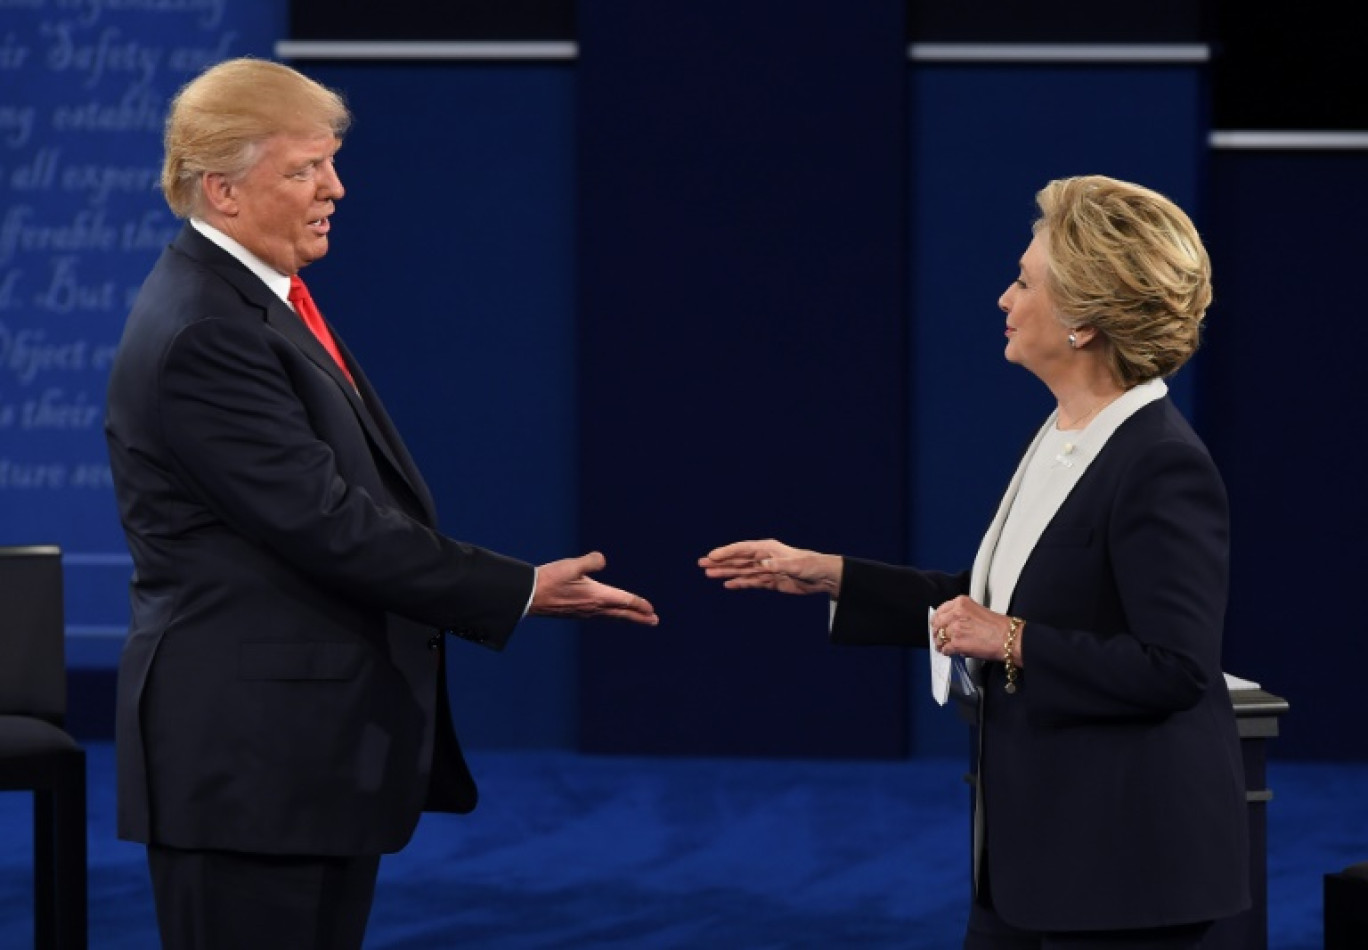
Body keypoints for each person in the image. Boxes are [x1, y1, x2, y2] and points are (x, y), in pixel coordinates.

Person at [103, 57, 658, 950]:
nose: (336, 188)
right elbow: (326, 524)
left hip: (296, 761)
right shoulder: (208, 329)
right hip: (249, 765)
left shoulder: (253, 302)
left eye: (329, 163)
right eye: (304, 170)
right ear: (224, 191)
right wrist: (515, 589)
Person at [699, 175, 1249, 948]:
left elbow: (1176, 667)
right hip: (1036, 863)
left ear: (1085, 321)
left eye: (1025, 282)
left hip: (1119, 879)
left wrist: (1014, 640)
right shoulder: (1068, 435)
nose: (1004, 298)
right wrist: (831, 575)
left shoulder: (1159, 463)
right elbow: (992, 599)